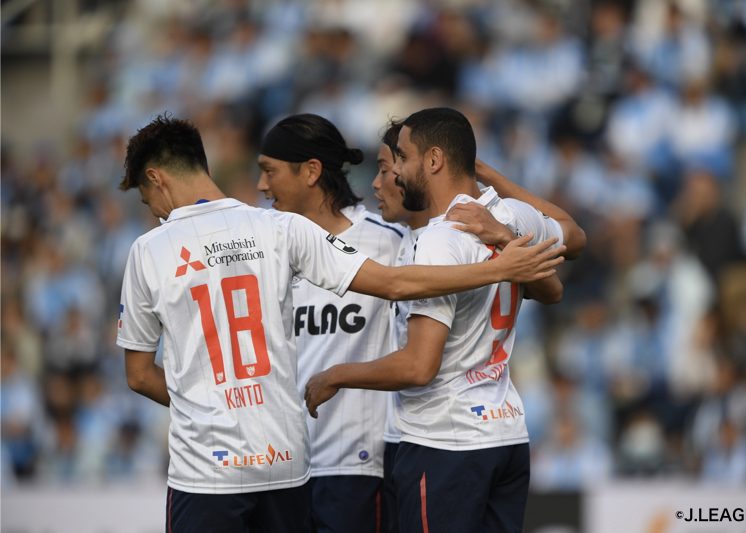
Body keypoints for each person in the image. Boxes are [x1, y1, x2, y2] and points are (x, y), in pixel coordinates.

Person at [116, 113, 564, 533]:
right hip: (288, 458)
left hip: (248, 466)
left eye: (145, 197)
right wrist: (502, 263)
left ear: (156, 178)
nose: (153, 209)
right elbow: (395, 284)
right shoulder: (278, 229)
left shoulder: (151, 250)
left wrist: (214, 408)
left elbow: (138, 375)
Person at [306, 107, 574, 532]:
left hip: (445, 442)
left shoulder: (439, 240)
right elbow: (569, 242)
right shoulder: (510, 216)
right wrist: (501, 221)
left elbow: (419, 366)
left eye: (402, 158)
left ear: (433, 160)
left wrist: (335, 375)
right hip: (504, 432)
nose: (395, 171)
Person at [255, 113, 402, 533]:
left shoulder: (386, 242)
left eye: (270, 171)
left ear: (311, 171)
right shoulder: (265, 248)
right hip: (282, 466)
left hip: (355, 466)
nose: (262, 185)